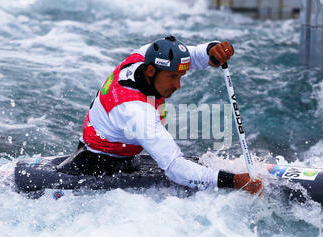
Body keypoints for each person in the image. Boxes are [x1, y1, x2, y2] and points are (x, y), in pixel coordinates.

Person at [57, 35, 263, 195]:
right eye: (172, 77)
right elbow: (175, 168)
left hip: (124, 156)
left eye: (180, 76)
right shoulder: (136, 111)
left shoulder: (142, 57)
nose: (177, 85)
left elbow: (192, 56)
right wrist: (235, 182)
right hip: (98, 167)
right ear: (149, 72)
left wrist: (212, 50)